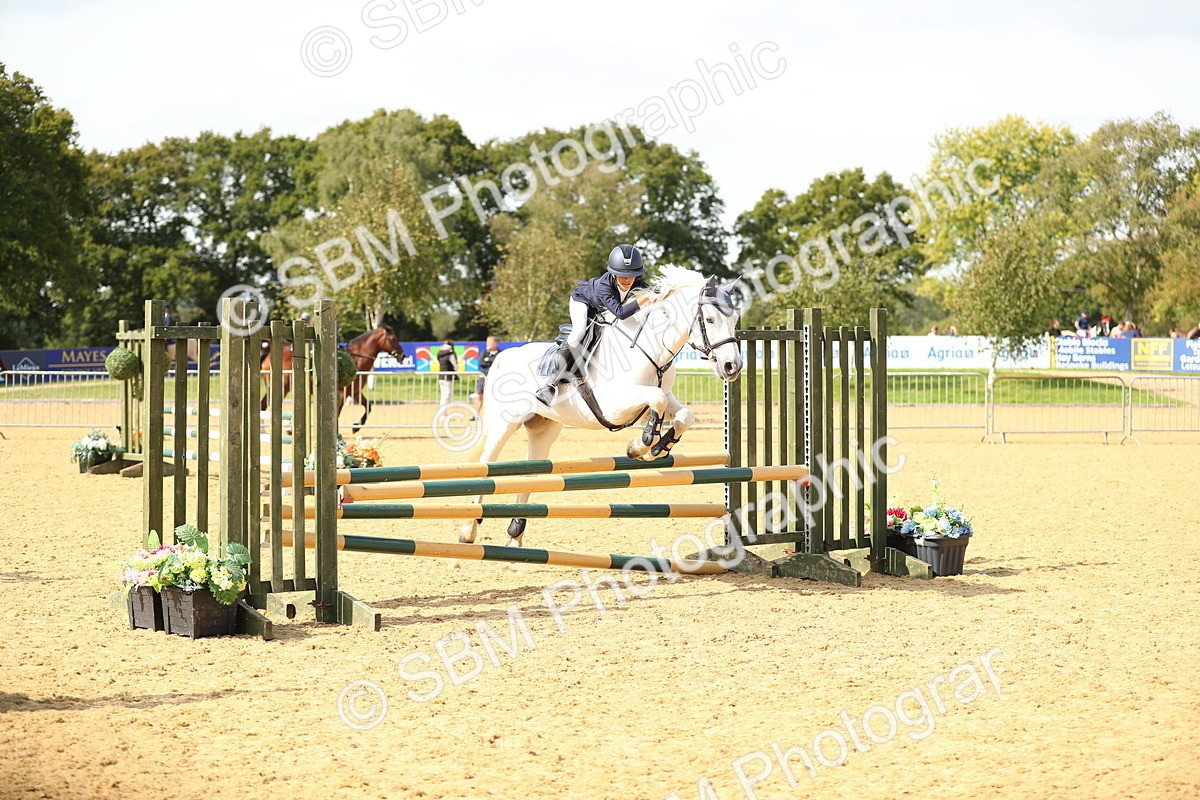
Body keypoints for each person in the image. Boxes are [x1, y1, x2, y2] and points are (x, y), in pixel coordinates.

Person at [534, 244, 657, 406]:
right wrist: (643, 300)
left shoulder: (638, 283)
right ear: (613, 274)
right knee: (579, 333)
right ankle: (550, 385)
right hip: (583, 302)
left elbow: (653, 292)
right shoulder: (604, 286)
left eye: (632, 275)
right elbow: (620, 313)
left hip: (603, 310)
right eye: (622, 275)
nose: (627, 280)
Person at [472, 336, 499, 415]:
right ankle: (475, 414)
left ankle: (493, 414)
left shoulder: (499, 354)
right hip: (483, 377)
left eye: (489, 342)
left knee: (494, 397)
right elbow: (481, 362)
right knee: (479, 395)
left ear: (495, 343)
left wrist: (487, 360)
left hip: (495, 379)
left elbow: (497, 363)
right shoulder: (484, 352)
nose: (487, 344)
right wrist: (490, 361)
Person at [436, 341, 457, 409]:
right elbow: (455, 366)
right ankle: (444, 413)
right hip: (448, 376)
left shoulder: (439, 354)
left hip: (441, 376)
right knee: (447, 395)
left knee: (443, 396)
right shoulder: (451, 354)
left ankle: (443, 413)